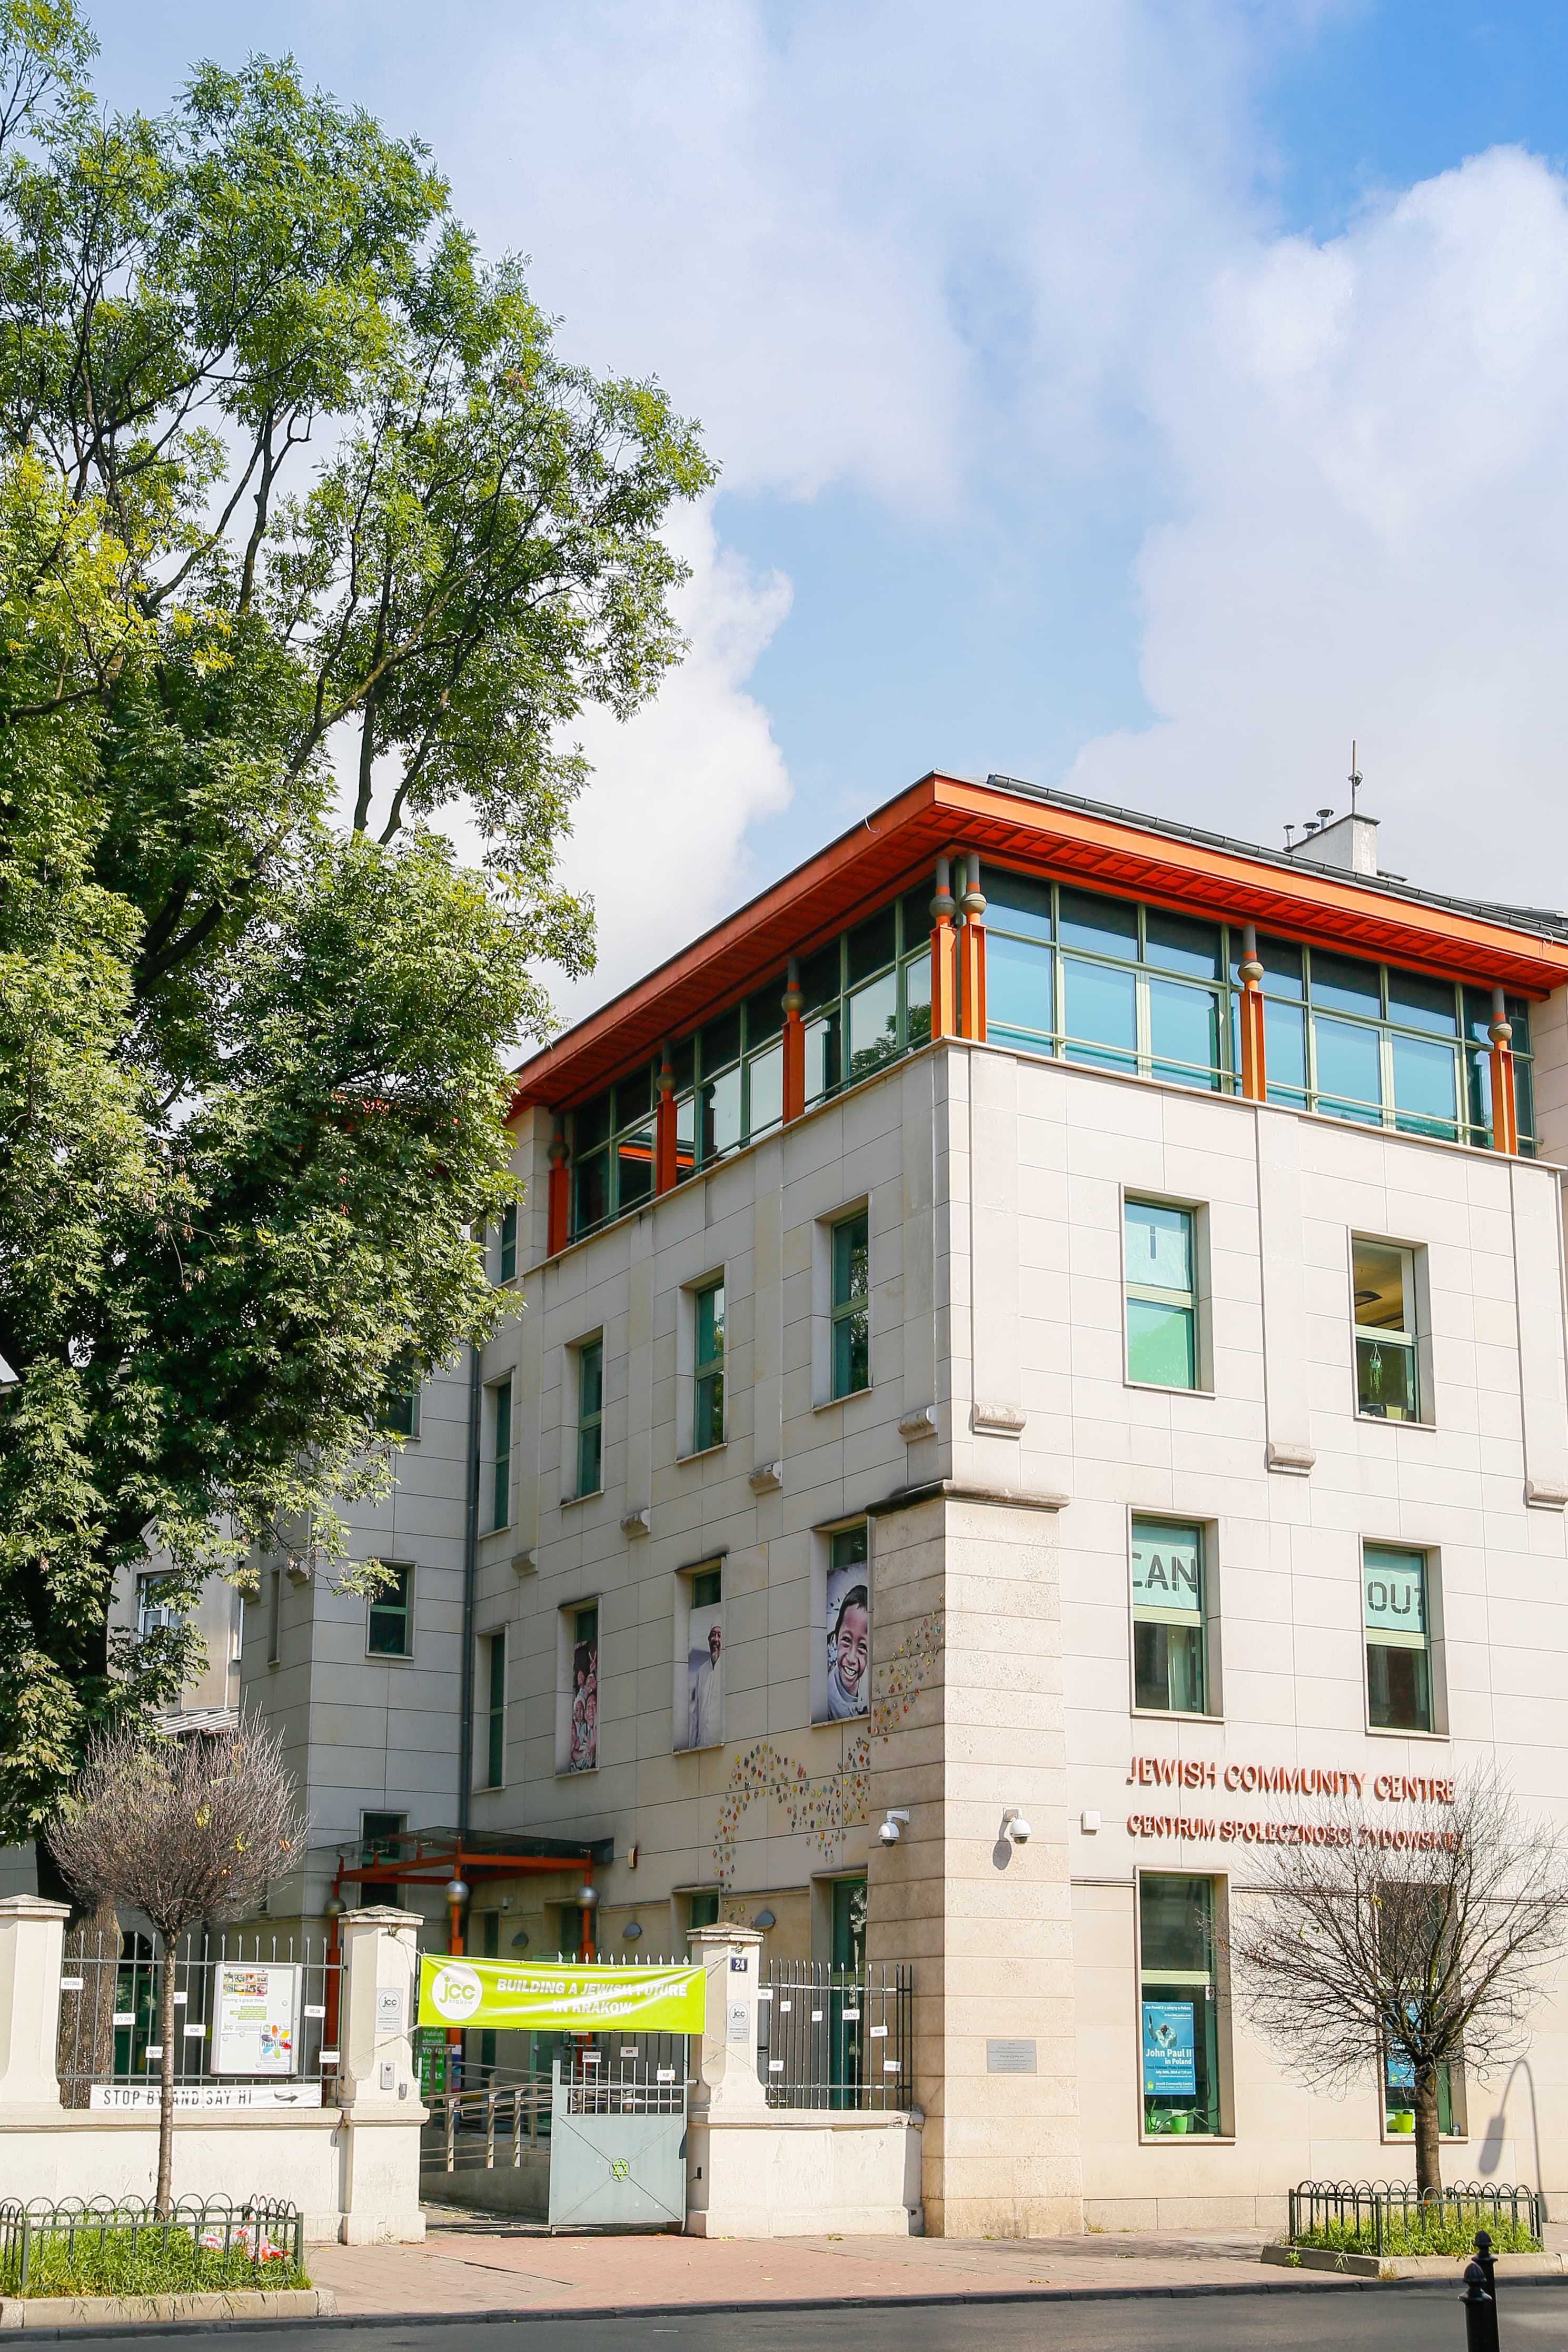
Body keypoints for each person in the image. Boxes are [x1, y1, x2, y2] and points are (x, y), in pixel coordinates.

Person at [826, 1585, 869, 1719]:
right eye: (846, 1640)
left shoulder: (869, 1682)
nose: (851, 1658)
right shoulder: (827, 1701)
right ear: (836, 1638)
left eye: (862, 1646)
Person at [689, 1619, 722, 1748]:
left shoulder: (727, 1668)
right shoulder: (701, 1672)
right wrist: (693, 1747)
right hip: (702, 1745)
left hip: (719, 1746)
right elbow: (696, 1713)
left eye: (719, 1635)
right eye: (713, 1635)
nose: (716, 1639)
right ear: (709, 1640)